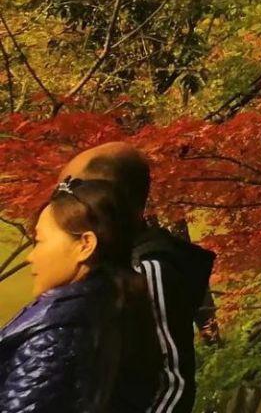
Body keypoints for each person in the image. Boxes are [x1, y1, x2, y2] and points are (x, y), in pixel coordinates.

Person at [61, 142, 214, 413]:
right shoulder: (99, 262)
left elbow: (172, 381)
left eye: (71, 186)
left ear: (106, 195)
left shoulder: (149, 269)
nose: (61, 199)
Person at [0, 175, 152, 413]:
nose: (31, 256)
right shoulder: (113, 304)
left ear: (84, 245)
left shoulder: (56, 338)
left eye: (39, 241)